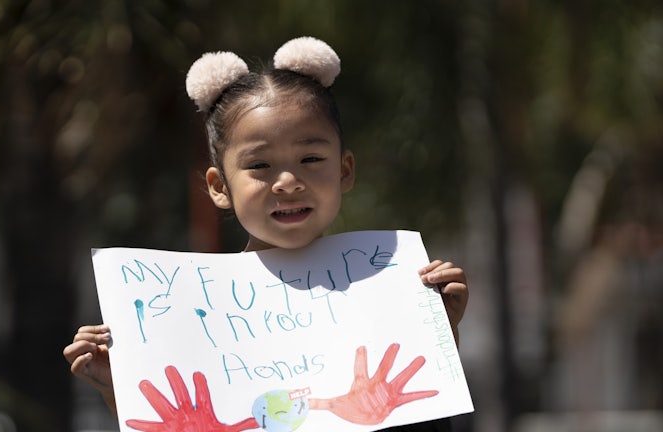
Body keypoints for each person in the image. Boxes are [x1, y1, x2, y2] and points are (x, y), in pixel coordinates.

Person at [63, 36, 468, 432]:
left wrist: (438, 332)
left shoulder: (392, 290)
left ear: (344, 170)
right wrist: (120, 388)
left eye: (311, 158)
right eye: (259, 165)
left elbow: (422, 408)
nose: (288, 181)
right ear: (220, 186)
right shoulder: (180, 316)